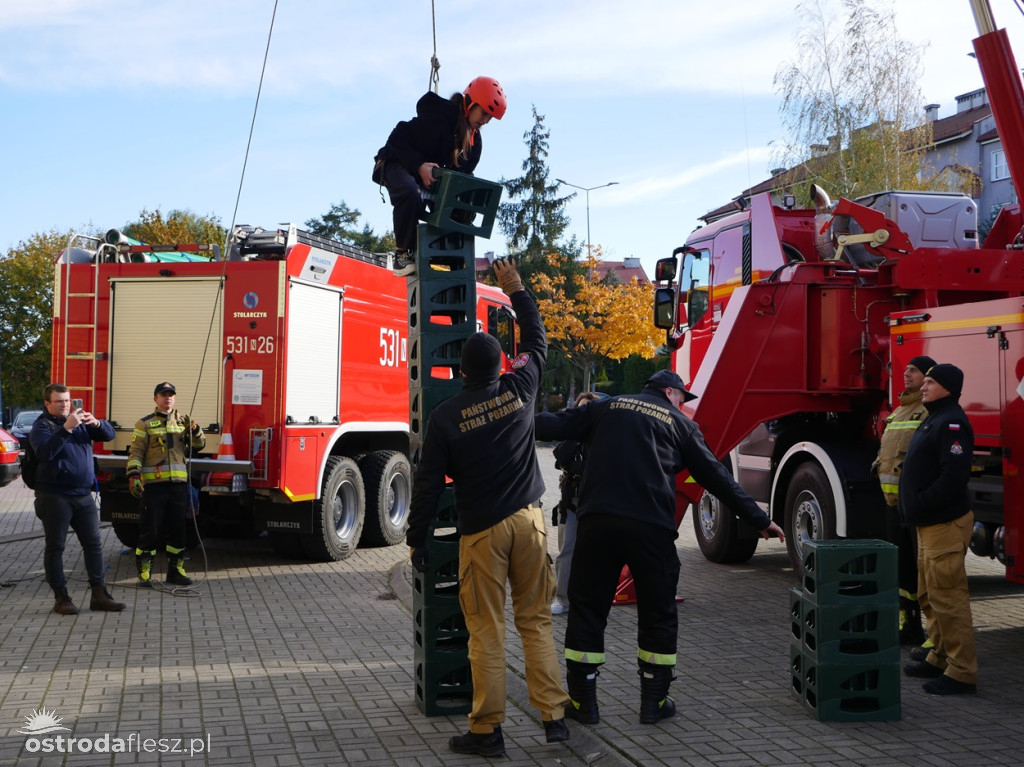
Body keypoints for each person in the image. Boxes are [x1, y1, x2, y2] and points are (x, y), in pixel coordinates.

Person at [535, 370, 786, 725]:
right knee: (658, 613)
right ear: (670, 392)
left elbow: (547, 425)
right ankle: (654, 703)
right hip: (650, 529)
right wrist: (758, 519)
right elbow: (716, 475)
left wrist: (502, 414)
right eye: (683, 398)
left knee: (588, 610)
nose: (685, 405)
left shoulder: (607, 408)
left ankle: (583, 704)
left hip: (598, 523)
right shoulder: (680, 424)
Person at [406, 258, 569, 757]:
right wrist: (514, 288)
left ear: (461, 372)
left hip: (482, 533)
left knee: (487, 630)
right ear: (502, 366)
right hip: (530, 522)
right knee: (536, 621)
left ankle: (487, 732)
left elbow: (428, 484)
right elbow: (538, 337)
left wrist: (417, 539)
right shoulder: (522, 390)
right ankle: (555, 720)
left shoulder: (446, 416)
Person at [372, 76, 506, 277]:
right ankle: (403, 254)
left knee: (464, 193)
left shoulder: (474, 143)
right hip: (397, 161)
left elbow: (462, 176)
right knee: (410, 192)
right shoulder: (440, 117)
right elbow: (397, 137)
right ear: (471, 103)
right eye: (485, 113)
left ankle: (448, 253)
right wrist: (419, 166)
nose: (485, 120)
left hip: (428, 176)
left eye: (490, 118)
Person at [899, 363, 978, 695]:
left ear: (947, 387)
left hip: (942, 523)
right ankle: (940, 655)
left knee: (948, 597)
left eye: (930, 382)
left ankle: (962, 671)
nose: (924, 386)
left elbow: (954, 474)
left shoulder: (953, 422)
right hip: (928, 524)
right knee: (930, 594)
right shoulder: (936, 416)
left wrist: (923, 501)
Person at [30, 383, 125, 615]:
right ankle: (61, 598)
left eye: (67, 400)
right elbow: (44, 453)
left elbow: (109, 435)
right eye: (59, 401)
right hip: (54, 496)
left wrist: (97, 423)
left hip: (82, 495)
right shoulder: (42, 426)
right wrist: (66, 429)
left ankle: (99, 595)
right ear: (47, 404)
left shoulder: (78, 421)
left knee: (93, 545)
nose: (65, 405)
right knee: (56, 547)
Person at [871, 354, 935, 646]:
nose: (906, 374)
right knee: (902, 567)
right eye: (906, 369)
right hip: (892, 505)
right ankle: (906, 623)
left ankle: (931, 633)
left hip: (915, 505)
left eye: (914, 370)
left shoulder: (928, 412)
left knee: (924, 569)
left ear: (928, 377)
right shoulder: (899, 410)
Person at [127, 382, 206, 588]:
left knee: (178, 530)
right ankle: (144, 574)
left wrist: (195, 430)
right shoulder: (144, 424)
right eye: (163, 395)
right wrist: (134, 475)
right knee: (150, 531)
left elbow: (199, 445)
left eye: (171, 395)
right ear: (155, 399)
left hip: (178, 486)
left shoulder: (183, 422)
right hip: (154, 487)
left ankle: (176, 572)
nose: (167, 398)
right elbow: (136, 452)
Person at [551, 391, 605, 615]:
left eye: (588, 409)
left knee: (598, 553)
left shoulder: (605, 437)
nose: (584, 413)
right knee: (567, 550)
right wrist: (575, 430)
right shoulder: (570, 439)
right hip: (571, 502)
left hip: (598, 504)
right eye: (580, 409)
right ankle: (562, 598)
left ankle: (592, 599)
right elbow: (561, 457)